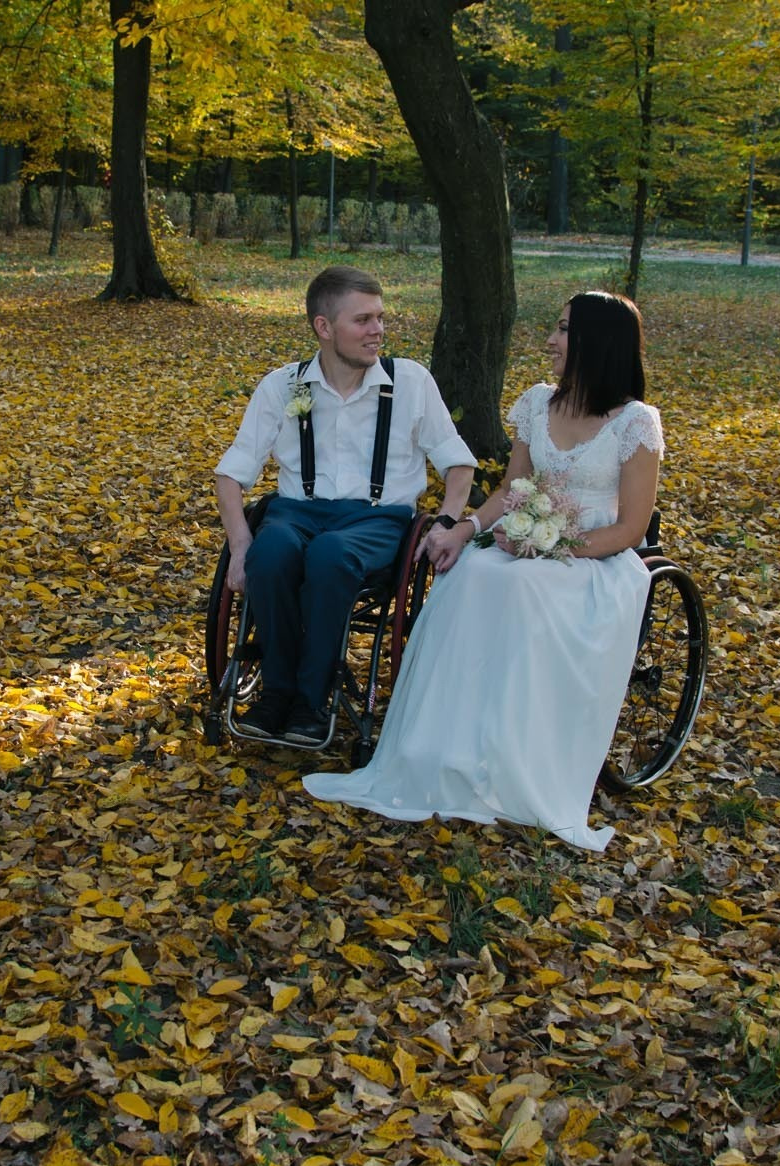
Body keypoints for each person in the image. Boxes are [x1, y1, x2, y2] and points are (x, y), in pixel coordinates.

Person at [303, 291, 663, 852]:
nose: (551, 340)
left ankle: (514, 759)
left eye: (564, 330)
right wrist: (465, 530)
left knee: (520, 585)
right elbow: (510, 491)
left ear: (596, 342)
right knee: (471, 576)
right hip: (529, 543)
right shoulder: (538, 403)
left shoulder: (636, 424)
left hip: (594, 560)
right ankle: (445, 751)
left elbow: (631, 528)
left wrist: (555, 548)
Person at [215, 266, 477, 744]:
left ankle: (312, 701)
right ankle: (275, 693)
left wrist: (445, 521)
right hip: (295, 514)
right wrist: (239, 545)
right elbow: (231, 474)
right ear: (323, 327)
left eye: (380, 318)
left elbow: (459, 466)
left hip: (377, 521)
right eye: (363, 320)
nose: (378, 330)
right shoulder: (283, 386)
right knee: (268, 554)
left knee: (331, 554)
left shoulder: (411, 382)